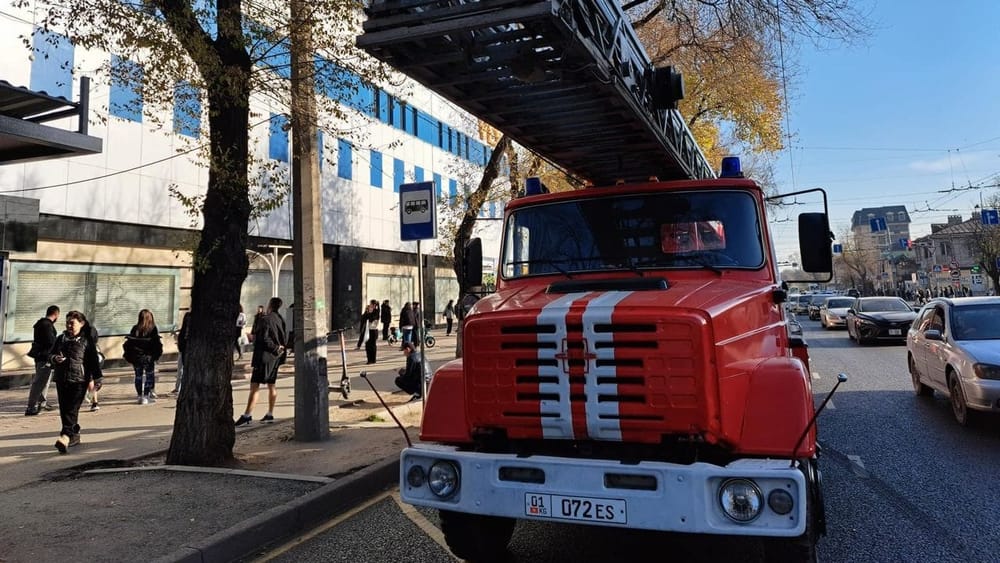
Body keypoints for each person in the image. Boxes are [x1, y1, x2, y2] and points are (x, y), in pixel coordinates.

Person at [49, 310, 103, 453]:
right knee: (64, 409)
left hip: (80, 380)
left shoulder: (86, 341)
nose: (69, 325)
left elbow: (93, 361)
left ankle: (65, 436)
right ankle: (74, 433)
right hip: (62, 378)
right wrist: (55, 358)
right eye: (67, 322)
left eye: (72, 323)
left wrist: (98, 378)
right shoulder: (61, 339)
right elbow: (50, 354)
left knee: (72, 409)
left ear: (82, 323)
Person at [236, 297, 287, 426]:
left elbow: (263, 338)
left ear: (270, 305)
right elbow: (285, 337)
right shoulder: (280, 319)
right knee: (271, 384)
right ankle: (270, 413)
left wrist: (274, 348)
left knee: (254, 386)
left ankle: (247, 414)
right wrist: (279, 350)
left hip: (263, 357)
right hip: (275, 358)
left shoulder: (266, 319)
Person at [25, 305, 60, 416]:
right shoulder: (47, 325)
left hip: (40, 356)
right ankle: (31, 406)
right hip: (45, 357)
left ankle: (42, 403)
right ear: (56, 314)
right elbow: (51, 341)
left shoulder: (40, 323)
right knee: (40, 381)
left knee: (44, 381)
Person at [124, 309, 164, 405]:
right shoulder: (152, 329)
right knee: (149, 376)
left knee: (138, 376)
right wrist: (155, 355)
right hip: (148, 357)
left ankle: (139, 396)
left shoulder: (135, 329)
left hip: (136, 357)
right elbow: (156, 344)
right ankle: (146, 396)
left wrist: (130, 356)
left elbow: (130, 343)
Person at [81, 316, 103, 412]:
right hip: (97, 356)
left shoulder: (82, 332)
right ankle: (94, 400)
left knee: (90, 379)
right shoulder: (92, 329)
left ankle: (93, 400)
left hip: (87, 357)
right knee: (95, 378)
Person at [174, 310, 192, 395]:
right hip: (184, 349)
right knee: (182, 370)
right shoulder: (184, 331)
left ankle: (182, 388)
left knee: (185, 370)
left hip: (188, 350)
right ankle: (179, 388)